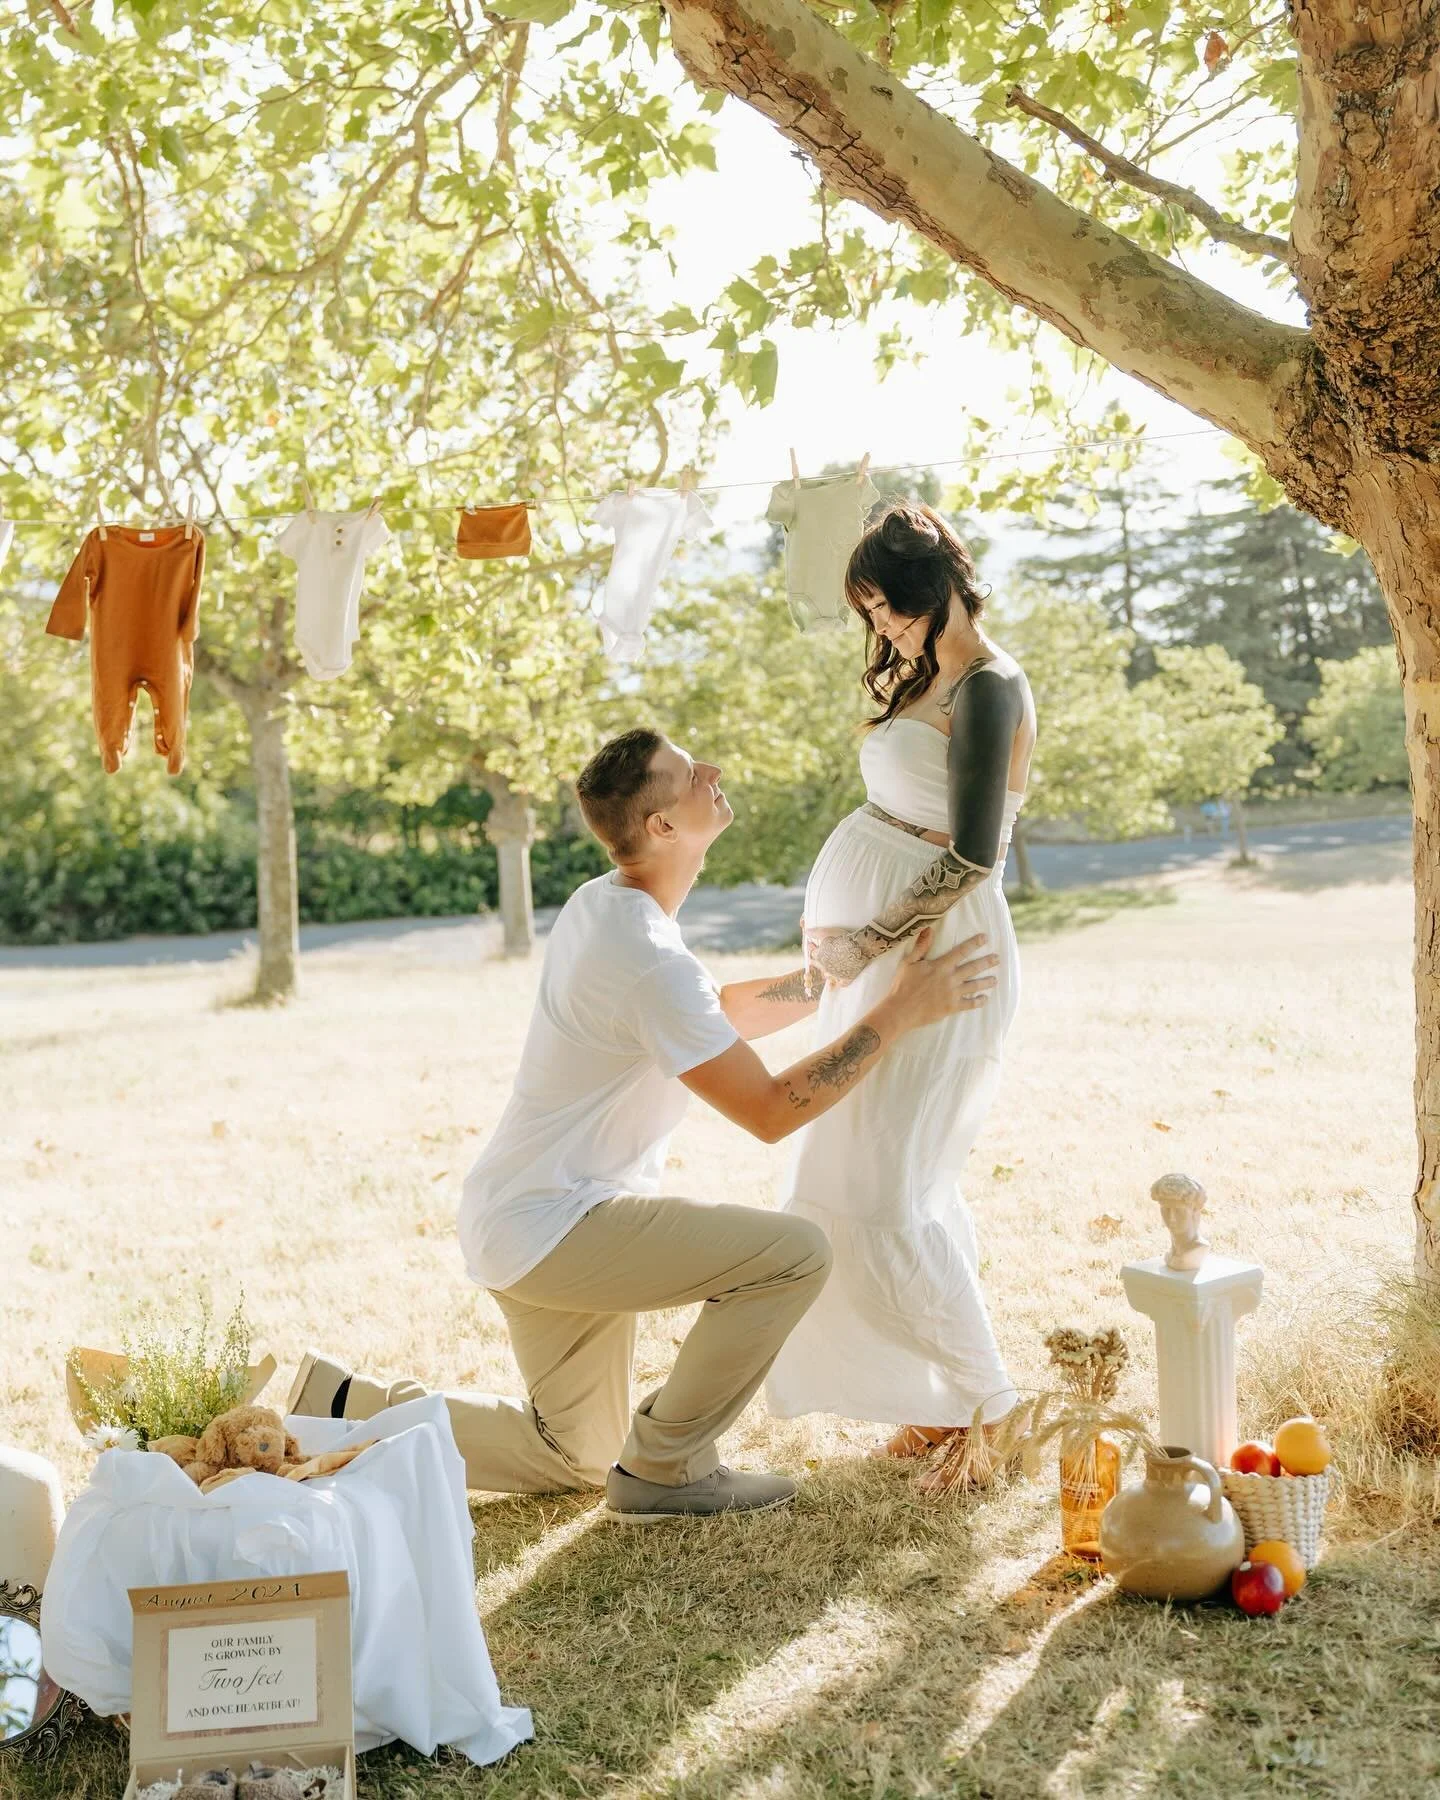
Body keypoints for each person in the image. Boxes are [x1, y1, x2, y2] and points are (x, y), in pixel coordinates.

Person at [289, 726, 998, 1522]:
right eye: (693, 774)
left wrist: (830, 976)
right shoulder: (643, 954)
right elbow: (769, 1112)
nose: (715, 772)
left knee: (575, 1455)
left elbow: (709, 1013)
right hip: (557, 1227)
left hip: (522, 1222)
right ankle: (667, 1466)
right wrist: (899, 1011)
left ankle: (342, 1404)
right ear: (661, 827)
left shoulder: (610, 907)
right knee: (793, 1255)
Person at [764, 502, 1036, 1486]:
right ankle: (940, 1402)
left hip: (937, 954)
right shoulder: (930, 676)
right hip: (885, 958)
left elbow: (973, 850)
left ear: (930, 591)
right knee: (859, 1173)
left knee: (889, 1188)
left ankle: (993, 1409)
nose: (878, 627)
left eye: (884, 605)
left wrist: (870, 940)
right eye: (869, 610)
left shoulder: (992, 686)